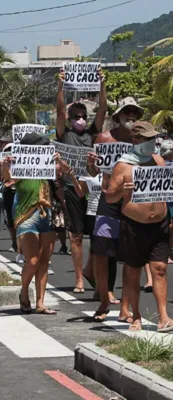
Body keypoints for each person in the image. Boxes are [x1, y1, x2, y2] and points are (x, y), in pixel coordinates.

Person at [107, 121, 173, 333]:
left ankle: (164, 318)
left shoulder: (158, 161)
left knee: (160, 269)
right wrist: (122, 191)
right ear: (136, 141)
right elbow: (110, 196)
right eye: (147, 139)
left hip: (158, 225)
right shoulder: (123, 166)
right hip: (133, 226)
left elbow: (168, 188)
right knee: (133, 272)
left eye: (153, 139)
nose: (152, 143)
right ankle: (136, 315)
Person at [86, 97, 143, 321]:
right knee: (101, 252)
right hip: (107, 202)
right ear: (117, 116)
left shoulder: (142, 140)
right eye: (126, 112)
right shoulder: (104, 138)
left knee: (131, 255)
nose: (130, 116)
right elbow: (93, 173)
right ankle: (103, 299)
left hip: (132, 202)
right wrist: (91, 164)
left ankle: (125, 307)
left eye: (134, 113)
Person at [2, 132, 68, 314]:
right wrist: (7, 165)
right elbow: (7, 180)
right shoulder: (18, 163)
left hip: (46, 214)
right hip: (26, 216)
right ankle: (24, 292)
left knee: (45, 261)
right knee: (32, 260)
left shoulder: (48, 163)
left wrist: (59, 161)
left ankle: (40, 302)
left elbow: (65, 172)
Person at [56, 68, 107, 292]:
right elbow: (58, 110)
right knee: (75, 235)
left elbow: (103, 111)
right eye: (76, 116)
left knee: (97, 236)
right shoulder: (64, 134)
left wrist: (102, 84)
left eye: (84, 116)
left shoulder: (92, 134)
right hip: (71, 188)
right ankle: (78, 278)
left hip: (93, 190)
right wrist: (60, 86)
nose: (81, 119)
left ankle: (89, 269)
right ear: (69, 119)